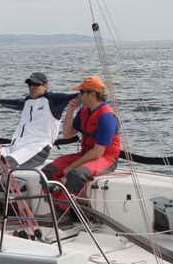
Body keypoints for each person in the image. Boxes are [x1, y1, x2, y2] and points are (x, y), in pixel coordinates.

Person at [0, 72, 78, 185]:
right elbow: (16, 103)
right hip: (16, 146)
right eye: (30, 84)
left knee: (1, 167)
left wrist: (90, 92)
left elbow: (78, 96)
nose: (32, 87)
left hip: (36, 150)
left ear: (46, 86)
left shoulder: (54, 100)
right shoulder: (28, 101)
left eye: (36, 84)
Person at [42, 76, 120, 216]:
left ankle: (62, 214)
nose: (79, 95)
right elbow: (67, 134)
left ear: (92, 94)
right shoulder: (84, 111)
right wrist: (70, 110)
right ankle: (56, 208)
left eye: (82, 92)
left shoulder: (107, 117)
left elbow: (98, 152)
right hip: (86, 155)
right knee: (47, 171)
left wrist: (71, 167)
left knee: (76, 175)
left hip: (106, 159)